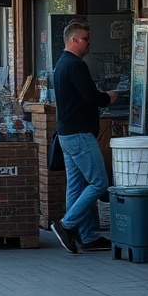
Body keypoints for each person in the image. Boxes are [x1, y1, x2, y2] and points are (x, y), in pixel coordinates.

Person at [49, 21, 119, 254]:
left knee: (76, 186)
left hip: (67, 134)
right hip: (79, 135)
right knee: (99, 182)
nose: (89, 43)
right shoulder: (76, 66)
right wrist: (108, 97)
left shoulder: (60, 65)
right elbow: (91, 96)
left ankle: (87, 236)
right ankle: (66, 225)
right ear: (74, 40)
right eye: (86, 39)